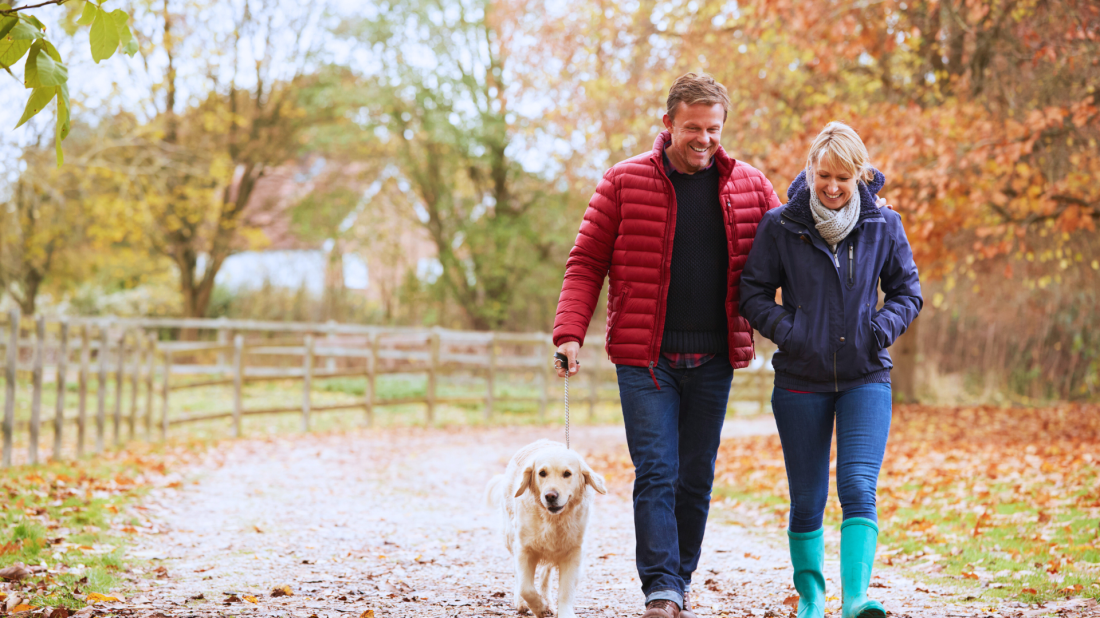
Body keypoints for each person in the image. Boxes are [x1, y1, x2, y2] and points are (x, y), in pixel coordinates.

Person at [552, 73, 781, 618]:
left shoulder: (750, 187)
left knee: (695, 476)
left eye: (714, 129)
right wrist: (569, 333)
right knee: (657, 470)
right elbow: (586, 263)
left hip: (714, 357)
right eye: (693, 128)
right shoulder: (623, 181)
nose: (704, 139)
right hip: (645, 358)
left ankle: (680, 577)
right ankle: (661, 588)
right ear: (669, 123)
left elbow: (793, 247)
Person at [739, 122, 922, 618]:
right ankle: (812, 598)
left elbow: (908, 293)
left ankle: (856, 599)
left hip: (866, 376)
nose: (833, 187)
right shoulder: (781, 226)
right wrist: (792, 332)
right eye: (824, 176)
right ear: (810, 172)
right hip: (800, 379)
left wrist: (879, 329)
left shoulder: (884, 224)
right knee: (807, 497)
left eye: (844, 177)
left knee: (859, 486)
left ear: (859, 175)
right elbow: (752, 293)